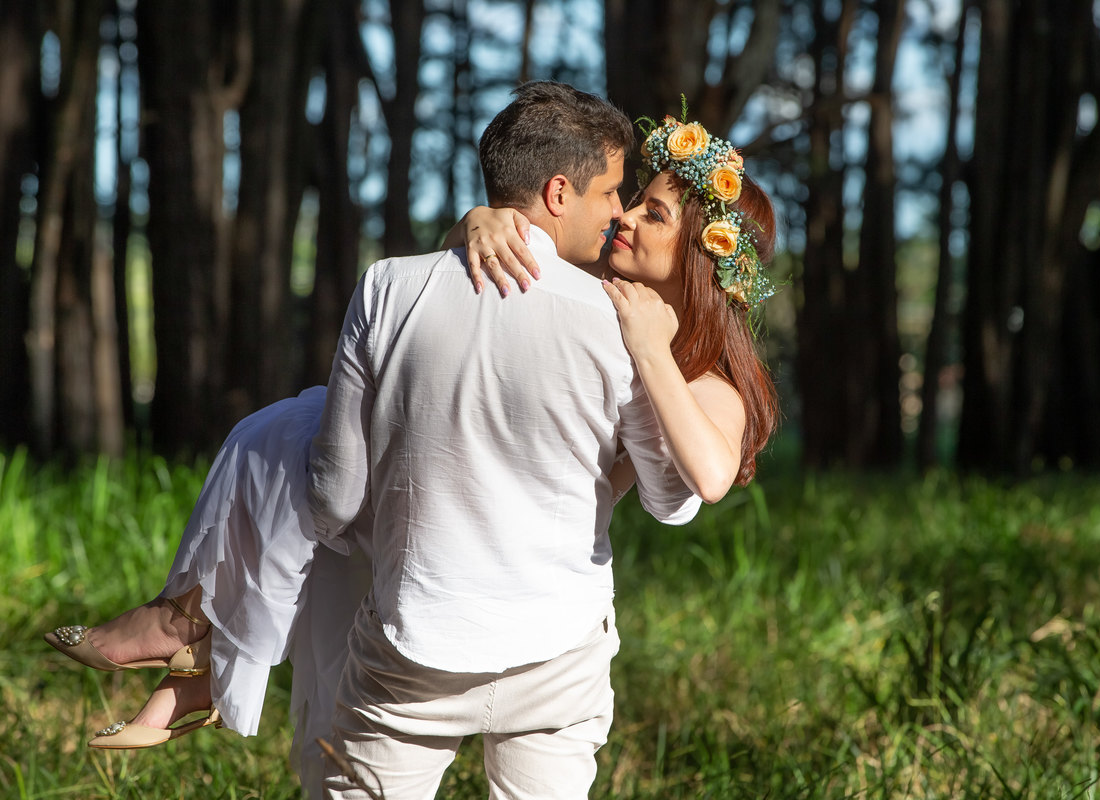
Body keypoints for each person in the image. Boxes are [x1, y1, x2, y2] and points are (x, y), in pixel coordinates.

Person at [43, 84, 779, 798]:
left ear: (702, 256)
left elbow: (694, 483)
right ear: (560, 192)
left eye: (647, 211)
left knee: (288, 438)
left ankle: (187, 634)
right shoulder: (610, 309)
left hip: (448, 605)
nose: (620, 218)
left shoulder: (670, 353)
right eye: (622, 197)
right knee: (281, 432)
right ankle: (188, 633)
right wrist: (477, 223)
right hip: (539, 616)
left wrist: (649, 350)